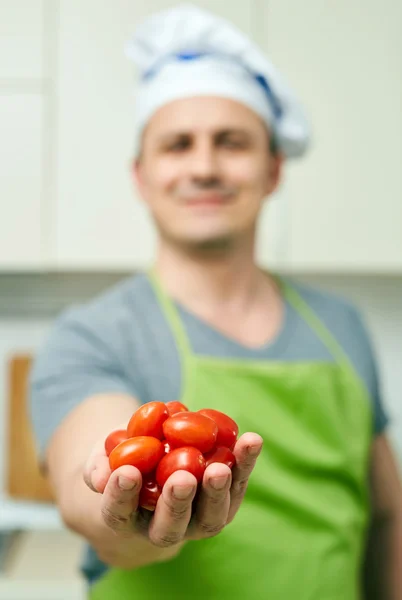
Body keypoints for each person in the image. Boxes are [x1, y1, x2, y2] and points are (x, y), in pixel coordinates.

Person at [30, 4, 402, 599]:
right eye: (178, 145)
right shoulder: (92, 333)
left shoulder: (341, 325)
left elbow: (386, 515)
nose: (204, 166)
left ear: (274, 168)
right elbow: (96, 507)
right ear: (142, 175)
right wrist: (134, 516)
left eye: (231, 143)